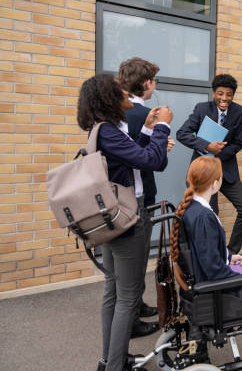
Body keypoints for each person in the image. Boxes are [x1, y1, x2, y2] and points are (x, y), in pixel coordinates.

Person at [77, 74, 173, 371]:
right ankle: (116, 366)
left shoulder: (100, 130)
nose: (126, 93)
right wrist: (163, 126)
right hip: (126, 220)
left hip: (111, 219)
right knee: (127, 298)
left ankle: (110, 360)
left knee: (113, 292)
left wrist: (146, 131)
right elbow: (150, 161)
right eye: (120, 90)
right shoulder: (107, 132)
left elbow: (131, 157)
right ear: (109, 98)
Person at [170, 156, 242, 316]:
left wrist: (228, 256)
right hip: (218, 292)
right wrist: (241, 281)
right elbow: (213, 268)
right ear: (214, 183)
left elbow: (203, 250)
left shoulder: (191, 207)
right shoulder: (203, 216)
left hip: (206, 283)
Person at [118, 57, 176, 338]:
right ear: (147, 83)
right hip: (139, 196)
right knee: (138, 257)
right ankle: (132, 317)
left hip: (122, 196)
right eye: (154, 81)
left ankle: (136, 306)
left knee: (132, 261)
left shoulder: (121, 112)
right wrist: (162, 146)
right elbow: (155, 162)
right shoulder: (142, 114)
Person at [176, 74, 242, 255]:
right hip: (203, 171)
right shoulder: (202, 109)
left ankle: (231, 252)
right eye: (220, 93)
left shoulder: (239, 111)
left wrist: (219, 152)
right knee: (210, 214)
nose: (224, 98)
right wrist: (206, 146)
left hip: (226, 170)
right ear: (213, 93)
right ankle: (209, 256)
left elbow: (238, 143)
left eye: (229, 94)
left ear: (233, 95)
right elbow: (182, 133)